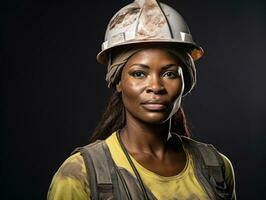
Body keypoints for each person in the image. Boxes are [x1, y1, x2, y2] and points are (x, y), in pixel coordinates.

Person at [47, 0, 236, 199]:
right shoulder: (79, 175)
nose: (155, 87)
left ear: (185, 82)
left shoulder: (216, 167)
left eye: (170, 74)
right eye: (139, 74)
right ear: (118, 81)